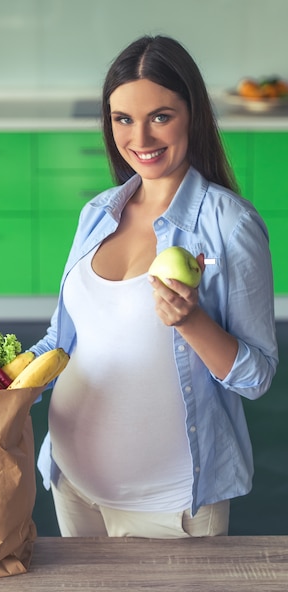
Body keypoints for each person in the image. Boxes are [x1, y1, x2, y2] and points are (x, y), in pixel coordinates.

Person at [29, 35, 279, 538]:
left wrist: (192, 320)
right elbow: (62, 341)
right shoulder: (99, 213)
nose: (139, 137)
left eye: (160, 116)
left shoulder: (230, 227)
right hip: (71, 483)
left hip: (170, 507)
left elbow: (256, 376)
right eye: (123, 118)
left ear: (194, 115)